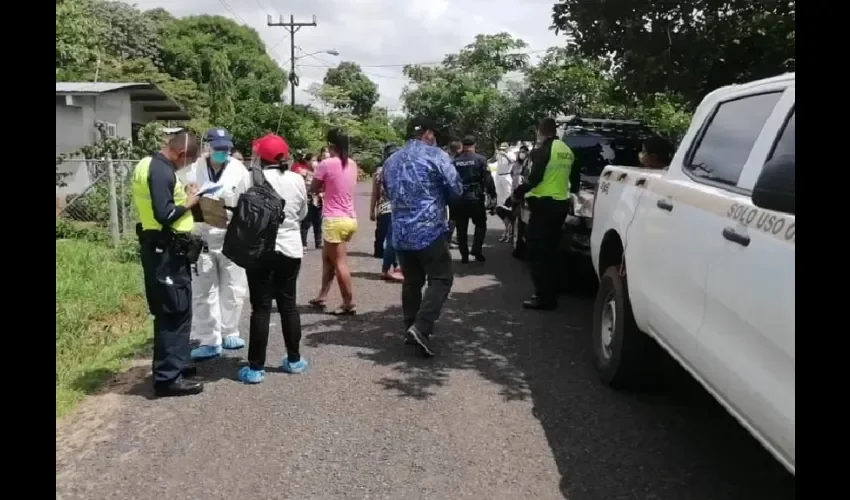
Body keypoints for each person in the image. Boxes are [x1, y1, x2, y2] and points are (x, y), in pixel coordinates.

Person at [382, 117, 463, 357]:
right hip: (429, 230)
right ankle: (422, 326)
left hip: (401, 232)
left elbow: (387, 190)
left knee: (412, 281)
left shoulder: (391, 160)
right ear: (427, 133)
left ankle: (410, 326)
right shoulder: (436, 155)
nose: (435, 139)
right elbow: (456, 189)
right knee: (441, 278)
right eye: (434, 134)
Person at [131, 132, 204, 397]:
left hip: (163, 247)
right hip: (165, 249)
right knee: (172, 310)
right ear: (182, 153)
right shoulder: (161, 171)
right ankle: (167, 378)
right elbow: (164, 214)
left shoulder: (147, 164)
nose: (186, 166)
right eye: (188, 161)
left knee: (179, 306)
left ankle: (179, 362)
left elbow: (158, 203)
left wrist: (181, 197)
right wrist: (189, 203)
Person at [237, 134, 310, 383]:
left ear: (260, 156)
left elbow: (237, 207)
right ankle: (294, 360)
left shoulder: (249, 178)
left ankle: (256, 368)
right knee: (289, 304)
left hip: (259, 251)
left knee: (261, 307)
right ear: (285, 156)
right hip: (290, 249)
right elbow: (302, 213)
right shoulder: (297, 179)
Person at [183, 128, 252, 361]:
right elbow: (184, 197)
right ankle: (209, 339)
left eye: (226, 148)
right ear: (208, 147)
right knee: (204, 290)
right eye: (218, 148)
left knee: (233, 287)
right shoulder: (193, 169)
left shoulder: (239, 169)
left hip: (230, 235)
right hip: (201, 234)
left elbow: (247, 200)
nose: (223, 152)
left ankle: (230, 331)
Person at [512, 118, 575, 311]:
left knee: (536, 253)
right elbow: (574, 179)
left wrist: (517, 193)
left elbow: (535, 178)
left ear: (540, 131)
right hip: (561, 205)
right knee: (552, 251)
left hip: (543, 206)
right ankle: (552, 291)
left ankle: (544, 297)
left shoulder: (542, 151)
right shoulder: (567, 150)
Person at [308, 129, 359, 315]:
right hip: (350, 218)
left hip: (334, 219)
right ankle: (322, 295)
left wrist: (319, 184)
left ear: (331, 145)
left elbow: (313, 188)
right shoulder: (352, 164)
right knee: (328, 258)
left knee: (339, 262)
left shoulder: (326, 164)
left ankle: (348, 302)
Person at [452, 135, 496, 263]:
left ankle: (464, 255)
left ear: (463, 145)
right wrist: (492, 195)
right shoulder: (480, 159)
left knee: (461, 228)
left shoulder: (455, 161)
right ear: (474, 145)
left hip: (459, 198)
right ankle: (477, 250)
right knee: (480, 224)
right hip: (475, 197)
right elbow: (488, 179)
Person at [370, 144, 403, 282]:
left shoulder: (380, 171)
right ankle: (396, 268)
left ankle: (388, 269)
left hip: (384, 209)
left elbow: (375, 193)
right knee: (394, 240)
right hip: (397, 209)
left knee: (390, 240)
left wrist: (372, 210)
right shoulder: (401, 170)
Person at [446, 140, 463, 245]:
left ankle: (449, 238)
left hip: (449, 192)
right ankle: (448, 239)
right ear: (458, 149)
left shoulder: (447, 158)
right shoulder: (452, 161)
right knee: (453, 217)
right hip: (453, 192)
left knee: (453, 217)